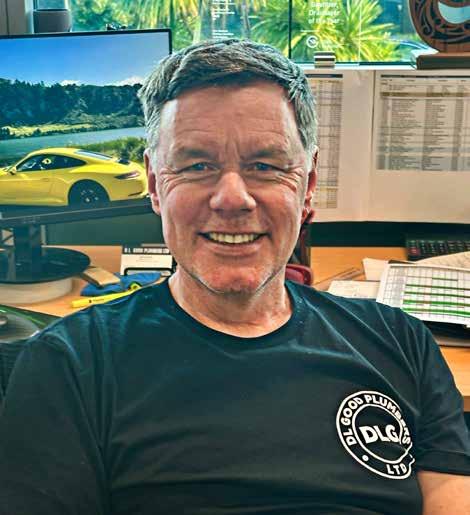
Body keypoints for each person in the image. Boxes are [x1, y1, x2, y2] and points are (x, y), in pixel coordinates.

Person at [1, 39, 469, 515]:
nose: (232, 198)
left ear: (307, 186)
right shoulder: (72, 365)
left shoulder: (400, 342)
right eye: (197, 165)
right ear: (156, 185)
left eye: (264, 166)